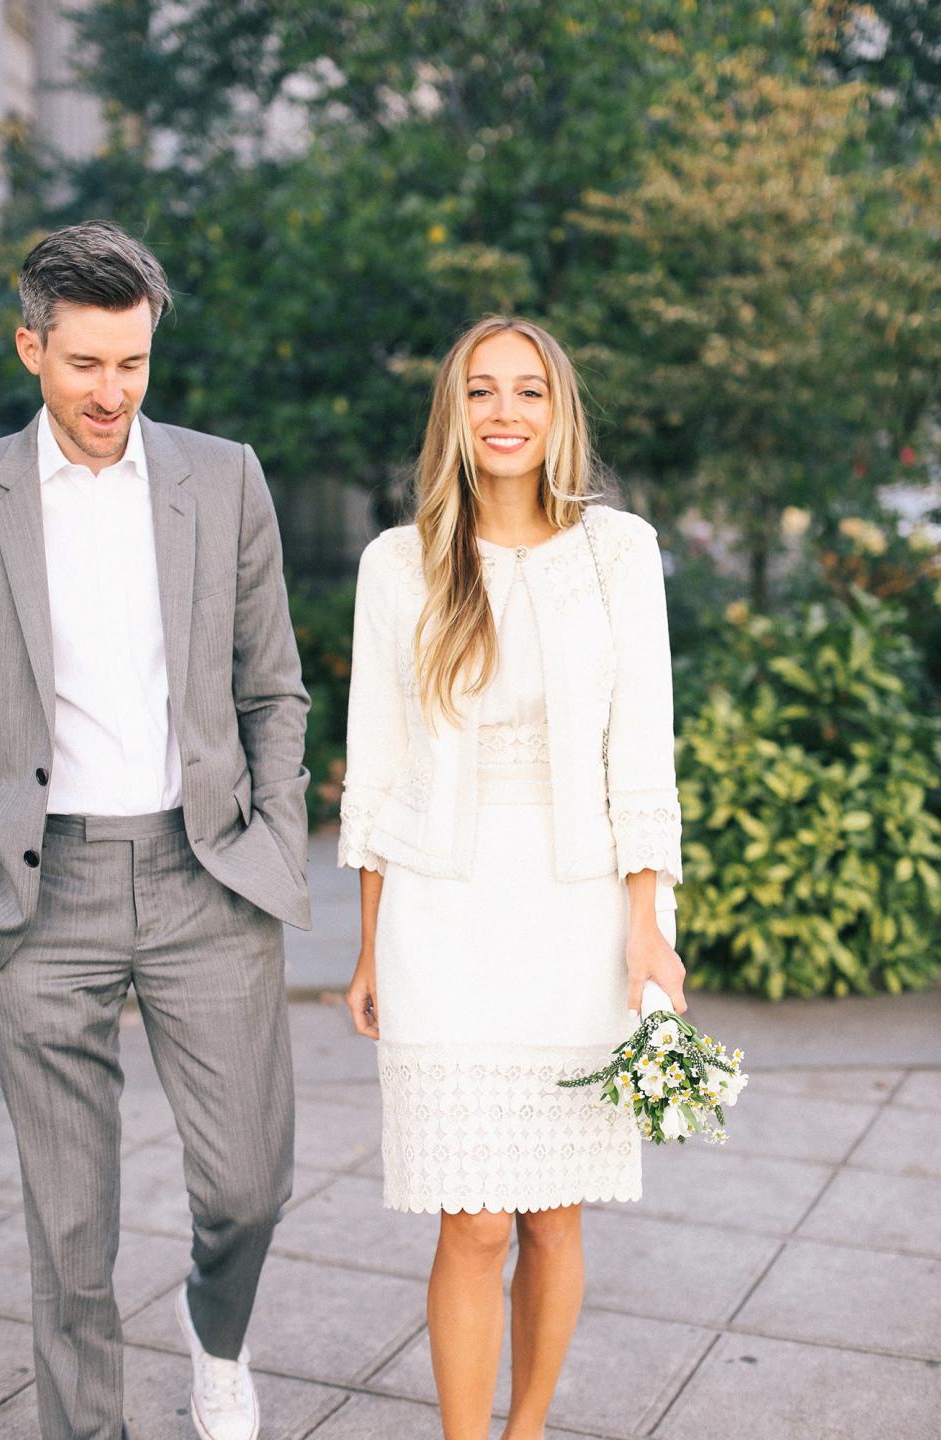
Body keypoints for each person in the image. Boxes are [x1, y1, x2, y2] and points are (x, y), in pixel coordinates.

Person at [0, 221, 310, 1440]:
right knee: (68, 1232)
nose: (112, 392)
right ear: (32, 349)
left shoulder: (221, 477)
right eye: (85, 366)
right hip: (40, 888)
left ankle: (214, 1335)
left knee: (249, 1185)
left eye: (133, 364)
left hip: (204, 871)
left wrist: (275, 837)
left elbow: (274, 687)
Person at [341, 316, 685, 1440]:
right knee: (474, 1219)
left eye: (527, 391)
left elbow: (643, 746)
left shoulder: (618, 551)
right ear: (454, 412)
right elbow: (380, 766)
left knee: (549, 1215)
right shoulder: (398, 565)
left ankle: (526, 1427)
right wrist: (366, 945)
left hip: (578, 911)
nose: (504, 413)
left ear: (558, 411)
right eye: (481, 391)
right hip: (440, 912)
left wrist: (648, 927)